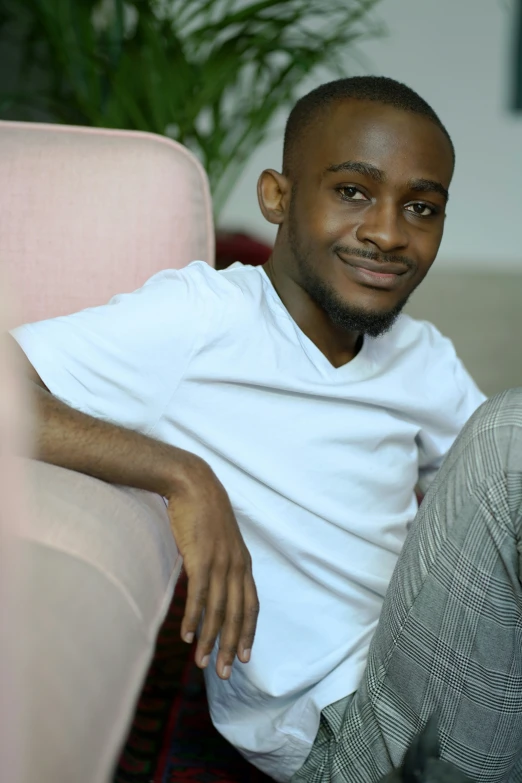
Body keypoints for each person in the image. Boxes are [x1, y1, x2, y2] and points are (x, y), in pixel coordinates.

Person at [6, 76, 520, 782]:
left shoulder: (419, 354)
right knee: (510, 429)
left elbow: (493, 518)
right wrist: (183, 473)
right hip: (356, 741)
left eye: (421, 207)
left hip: (447, 690)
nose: (388, 232)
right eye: (352, 191)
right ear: (277, 195)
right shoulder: (201, 319)